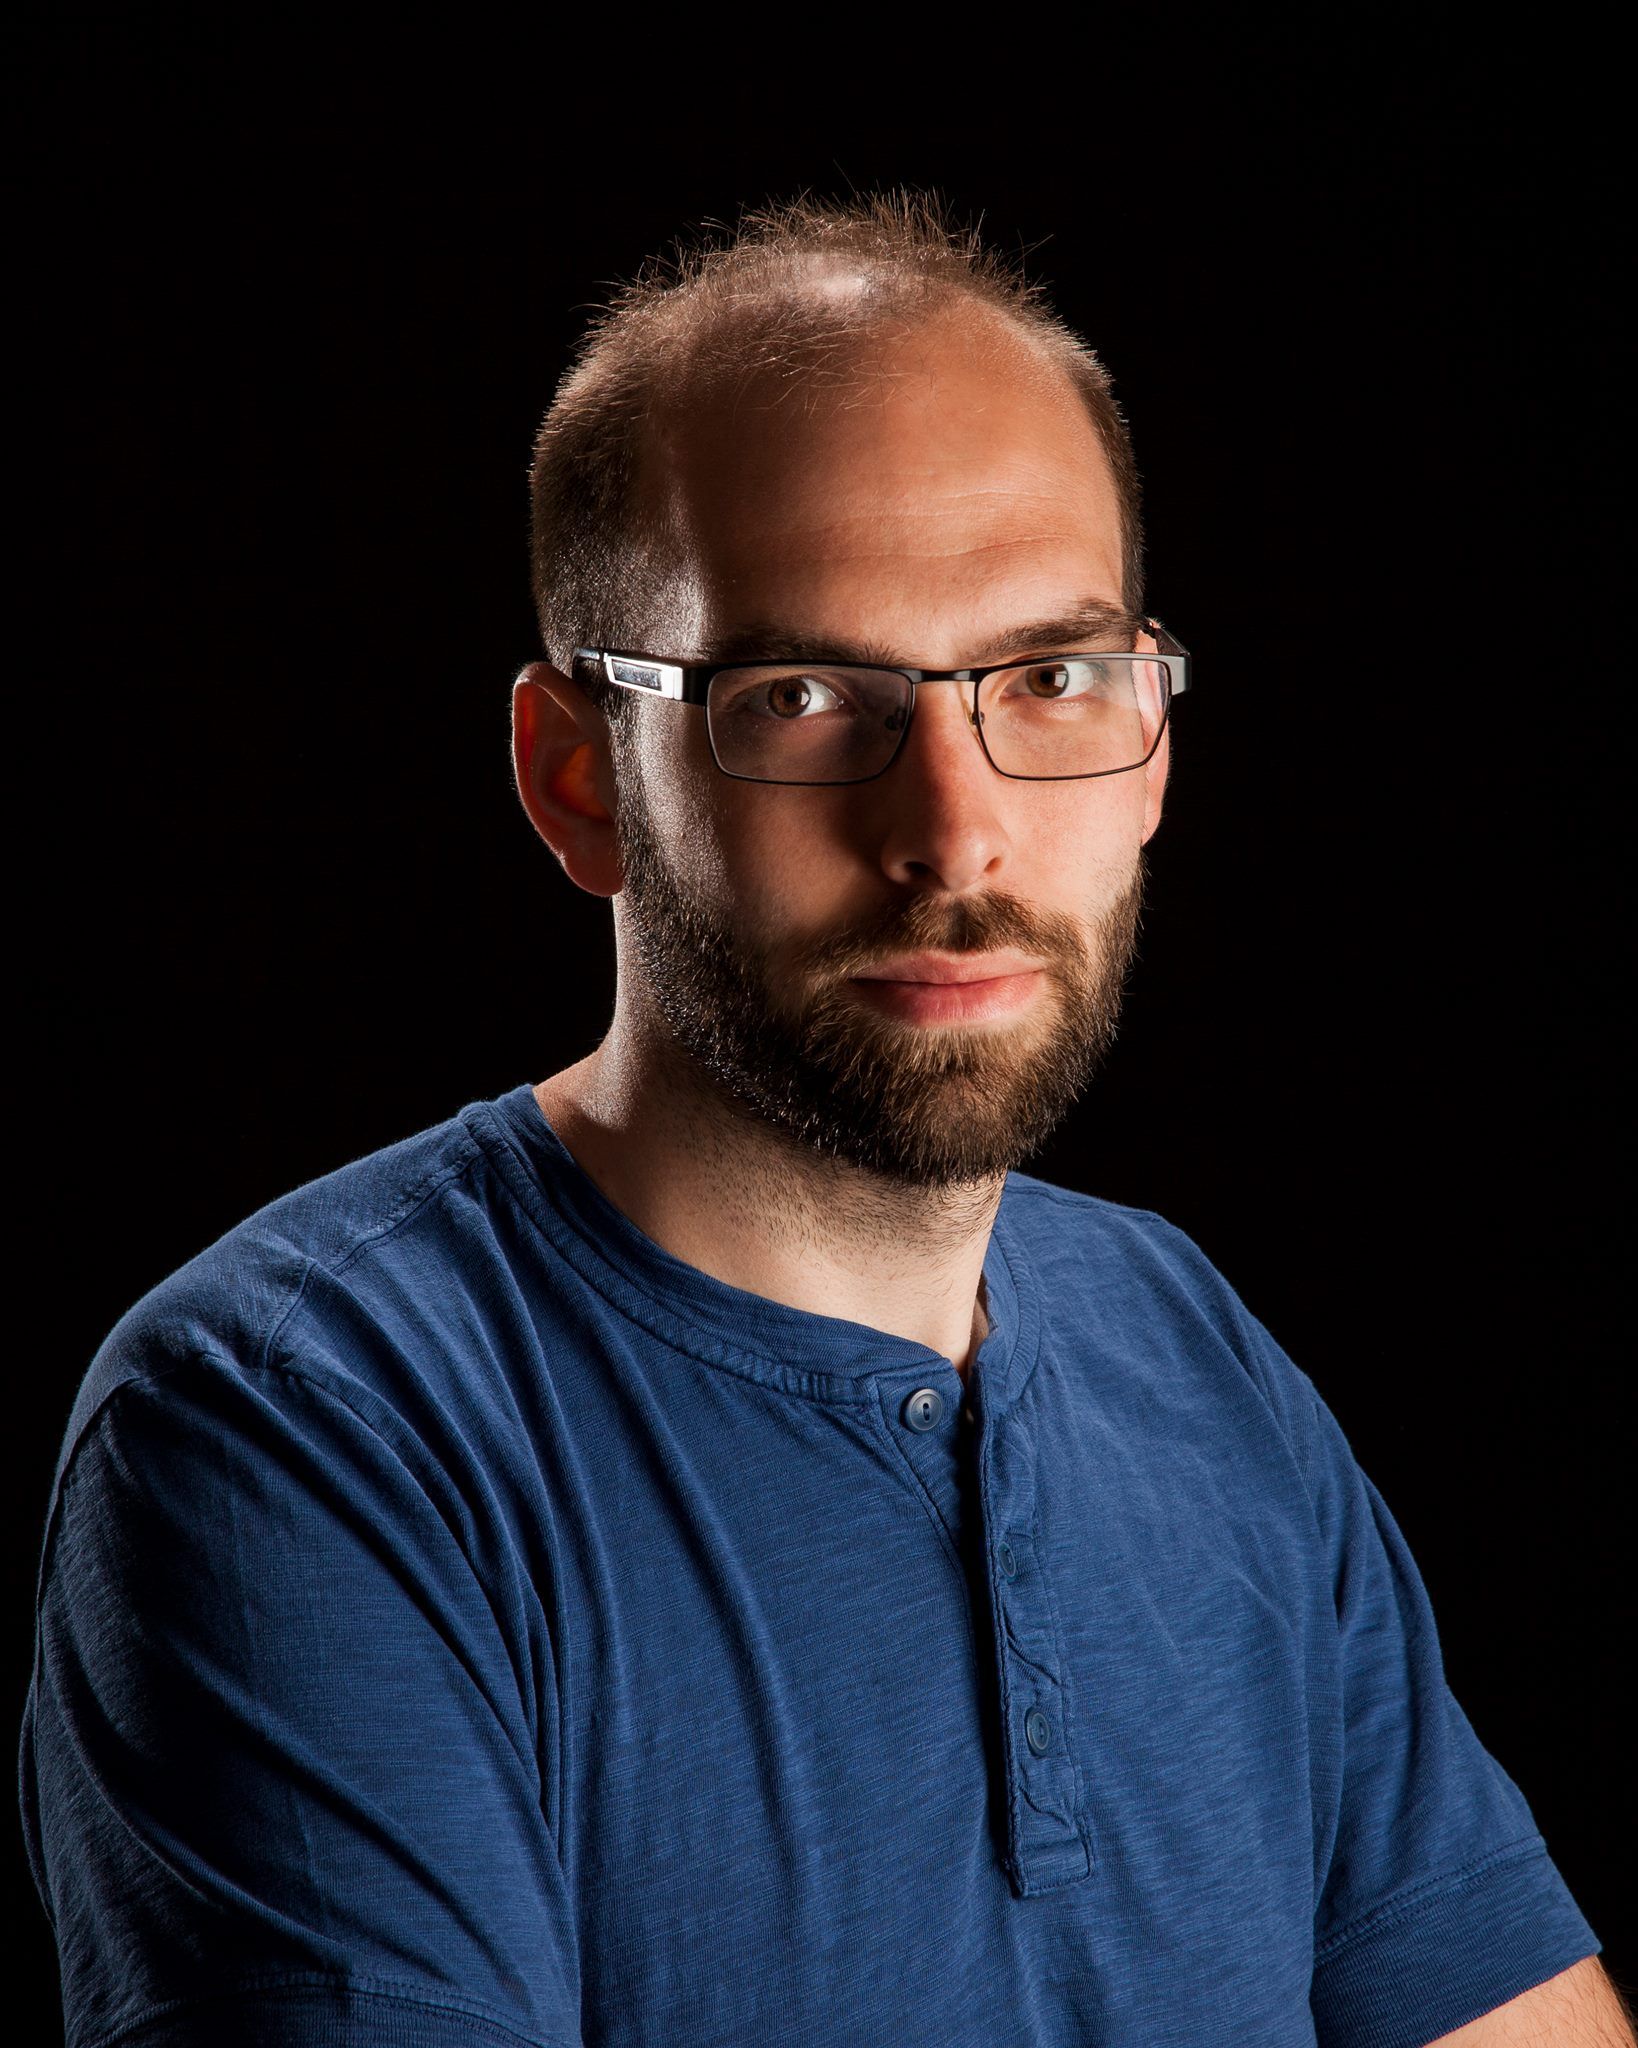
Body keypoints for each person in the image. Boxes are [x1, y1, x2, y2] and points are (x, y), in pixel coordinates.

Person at [18, 190, 1629, 2048]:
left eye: (1047, 679)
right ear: (577, 779)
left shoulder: (1189, 1355)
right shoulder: (300, 1427)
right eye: (799, 697)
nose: (952, 831)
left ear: (1154, 739)